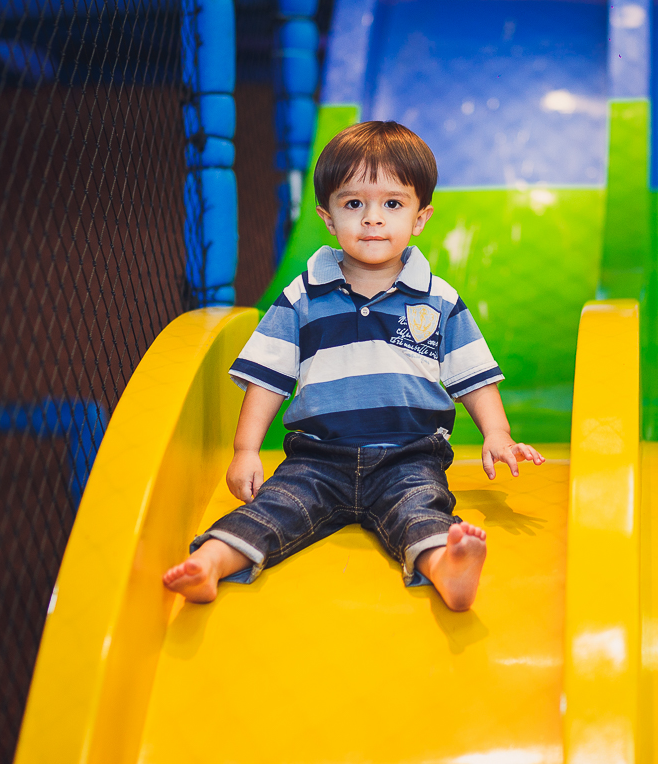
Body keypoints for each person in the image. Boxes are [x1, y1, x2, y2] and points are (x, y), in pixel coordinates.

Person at [162, 120, 543, 611]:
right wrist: (245, 450)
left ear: (420, 218)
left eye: (392, 204)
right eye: (353, 204)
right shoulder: (302, 297)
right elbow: (267, 380)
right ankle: (210, 563)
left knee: (421, 513)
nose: (372, 220)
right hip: (317, 458)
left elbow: (473, 376)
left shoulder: (439, 298)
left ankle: (448, 569)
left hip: (408, 456)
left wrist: (498, 432)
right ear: (327, 216)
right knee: (273, 510)